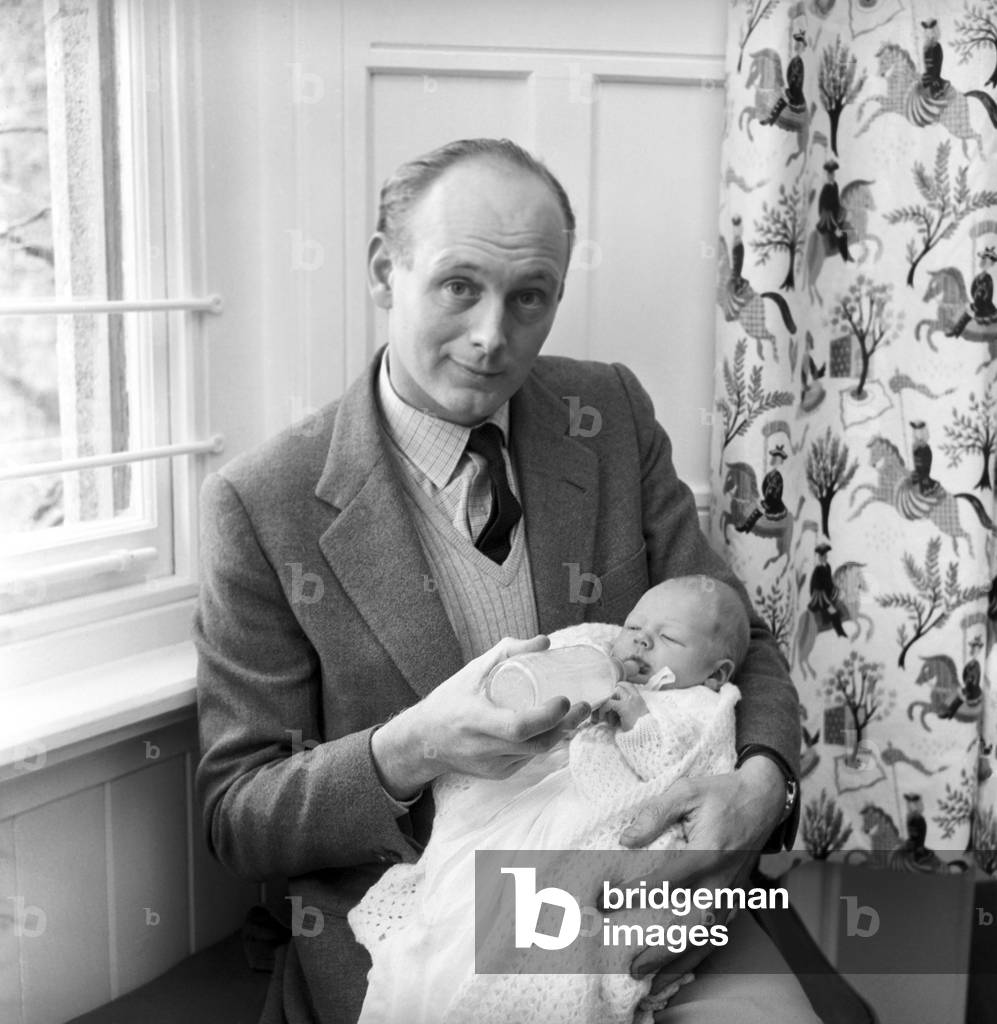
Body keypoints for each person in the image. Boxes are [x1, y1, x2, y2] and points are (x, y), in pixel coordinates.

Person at [194, 138, 811, 1024]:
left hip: (650, 899)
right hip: (428, 933)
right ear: (383, 273)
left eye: (529, 298)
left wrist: (762, 786)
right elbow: (237, 811)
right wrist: (412, 747)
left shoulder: (609, 417)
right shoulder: (260, 503)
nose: (492, 337)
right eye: (458, 286)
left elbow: (734, 640)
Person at [350, 576, 748, 1024]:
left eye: (668, 637)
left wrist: (640, 723)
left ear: (716, 673)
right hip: (533, 805)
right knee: (460, 898)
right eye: (634, 625)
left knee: (545, 926)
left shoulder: (699, 707)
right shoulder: (598, 657)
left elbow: (685, 770)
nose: (641, 638)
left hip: (601, 828)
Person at [946, 246, 997, 338]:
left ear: (991, 264)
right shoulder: (978, 277)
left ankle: (956, 331)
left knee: (969, 312)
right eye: (983, 259)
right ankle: (956, 331)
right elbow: (973, 290)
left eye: (986, 260)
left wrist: (979, 300)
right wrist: (976, 299)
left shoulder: (988, 279)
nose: (983, 261)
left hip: (985, 307)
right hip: (977, 304)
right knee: (967, 312)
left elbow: (988, 296)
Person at [816, 159, 851, 263]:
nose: (832, 175)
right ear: (827, 175)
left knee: (847, 225)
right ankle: (846, 257)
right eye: (830, 174)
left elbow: (836, 202)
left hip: (835, 215)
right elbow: (823, 208)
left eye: (833, 173)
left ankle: (846, 255)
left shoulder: (835, 185)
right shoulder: (826, 189)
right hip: (827, 221)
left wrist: (842, 209)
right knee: (841, 235)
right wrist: (834, 225)